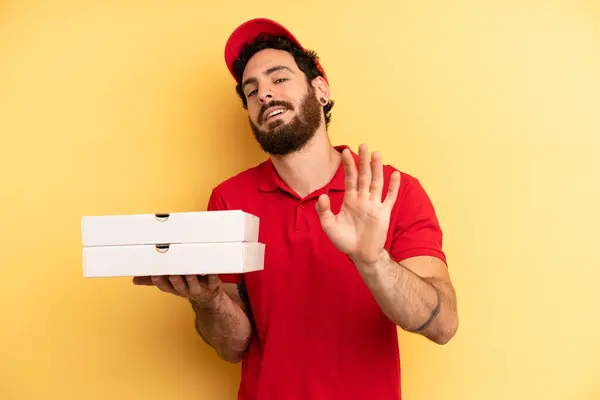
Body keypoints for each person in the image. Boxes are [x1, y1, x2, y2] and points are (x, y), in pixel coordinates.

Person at [133, 17, 459, 400]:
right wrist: (208, 299)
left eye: (279, 78)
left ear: (320, 89)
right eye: (251, 91)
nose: (264, 94)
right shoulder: (229, 201)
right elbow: (232, 346)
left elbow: (443, 325)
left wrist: (373, 262)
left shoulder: (389, 190)